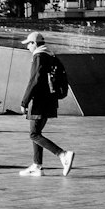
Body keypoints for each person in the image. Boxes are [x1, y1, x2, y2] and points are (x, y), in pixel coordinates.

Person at [19, 31, 74, 177]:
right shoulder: (51, 56)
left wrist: (24, 101)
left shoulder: (39, 56)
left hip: (39, 100)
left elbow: (35, 80)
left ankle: (63, 155)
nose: (27, 47)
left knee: (34, 134)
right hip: (49, 99)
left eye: (29, 44)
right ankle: (37, 166)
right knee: (36, 133)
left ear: (35, 44)